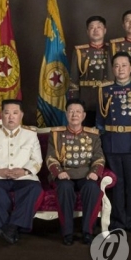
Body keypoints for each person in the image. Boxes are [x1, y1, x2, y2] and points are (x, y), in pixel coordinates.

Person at [97, 52, 131, 234]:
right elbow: (100, 121)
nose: (120, 69)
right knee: (116, 185)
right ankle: (118, 221)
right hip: (111, 143)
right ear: (113, 69)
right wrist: (102, 142)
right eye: (117, 66)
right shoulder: (104, 90)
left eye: (124, 65)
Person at [0, 99, 43, 244]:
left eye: (15, 113)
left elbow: (37, 161)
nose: (11, 117)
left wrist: (24, 171)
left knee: (34, 188)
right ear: (1, 114)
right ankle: (12, 227)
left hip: (23, 177)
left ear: (21, 115)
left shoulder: (30, 134)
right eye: (7, 113)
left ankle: (10, 226)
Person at [46, 99, 104, 245]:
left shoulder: (93, 134)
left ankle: (87, 232)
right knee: (65, 188)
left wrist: (95, 172)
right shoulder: (56, 134)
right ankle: (67, 233)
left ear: (83, 115)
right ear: (66, 114)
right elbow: (50, 157)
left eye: (78, 111)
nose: (74, 114)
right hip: (64, 174)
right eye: (71, 111)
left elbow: (99, 157)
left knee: (92, 188)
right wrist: (58, 172)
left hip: (85, 174)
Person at [68, 15, 111, 127]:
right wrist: (75, 103)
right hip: (86, 99)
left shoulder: (112, 49)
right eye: (92, 27)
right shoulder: (79, 51)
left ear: (105, 30)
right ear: (87, 31)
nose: (95, 30)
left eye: (99, 27)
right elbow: (74, 80)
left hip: (108, 98)